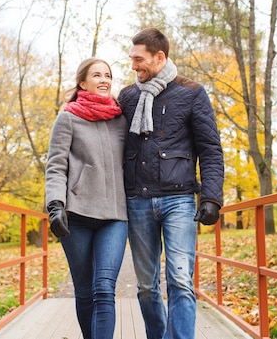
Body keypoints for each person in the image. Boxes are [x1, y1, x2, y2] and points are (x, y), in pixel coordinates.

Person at [118, 27, 224, 339]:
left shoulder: (191, 92)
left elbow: (210, 149)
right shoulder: (127, 97)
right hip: (137, 200)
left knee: (179, 278)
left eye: (139, 59)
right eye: (132, 58)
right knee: (147, 286)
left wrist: (211, 197)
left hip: (178, 200)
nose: (134, 65)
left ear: (159, 57)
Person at [45, 57, 128, 339]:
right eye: (97, 75)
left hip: (115, 216)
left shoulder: (121, 119)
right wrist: (55, 204)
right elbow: (56, 166)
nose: (104, 80)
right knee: (84, 290)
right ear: (82, 82)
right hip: (76, 216)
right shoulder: (67, 118)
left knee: (104, 287)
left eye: (108, 75)